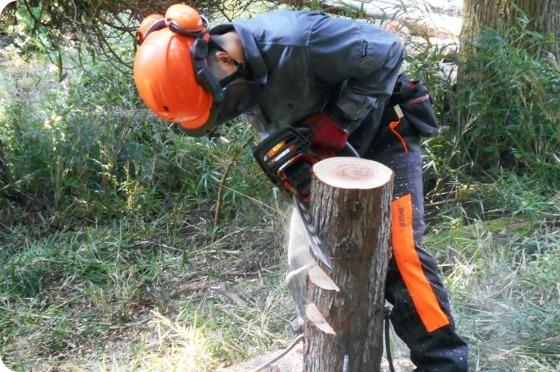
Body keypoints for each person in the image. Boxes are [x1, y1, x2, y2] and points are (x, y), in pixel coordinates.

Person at [133, 4, 469, 370]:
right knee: (305, 257)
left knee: (400, 254)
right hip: (324, 155)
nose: (226, 111)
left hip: (384, 134)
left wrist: (339, 119)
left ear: (225, 60)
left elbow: (389, 50)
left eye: (220, 103)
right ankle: (323, 349)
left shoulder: (298, 40)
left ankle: (443, 361)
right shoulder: (233, 76)